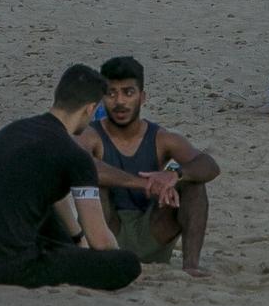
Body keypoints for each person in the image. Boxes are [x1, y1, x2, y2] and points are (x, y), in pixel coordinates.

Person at [0, 65, 151, 291]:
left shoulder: (15, 130)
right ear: (90, 109)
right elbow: (100, 240)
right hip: (2, 266)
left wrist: (76, 239)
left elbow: (53, 195)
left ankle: (66, 250)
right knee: (127, 264)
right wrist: (116, 260)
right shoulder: (75, 156)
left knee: (44, 210)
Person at [79, 56, 221, 277]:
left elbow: (210, 166)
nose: (120, 102)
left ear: (142, 97)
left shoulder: (161, 138)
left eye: (128, 92)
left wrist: (175, 175)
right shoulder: (90, 135)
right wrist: (145, 183)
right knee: (92, 182)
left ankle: (191, 265)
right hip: (107, 232)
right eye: (111, 93)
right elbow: (81, 167)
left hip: (153, 231)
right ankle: (99, 257)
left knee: (194, 184)